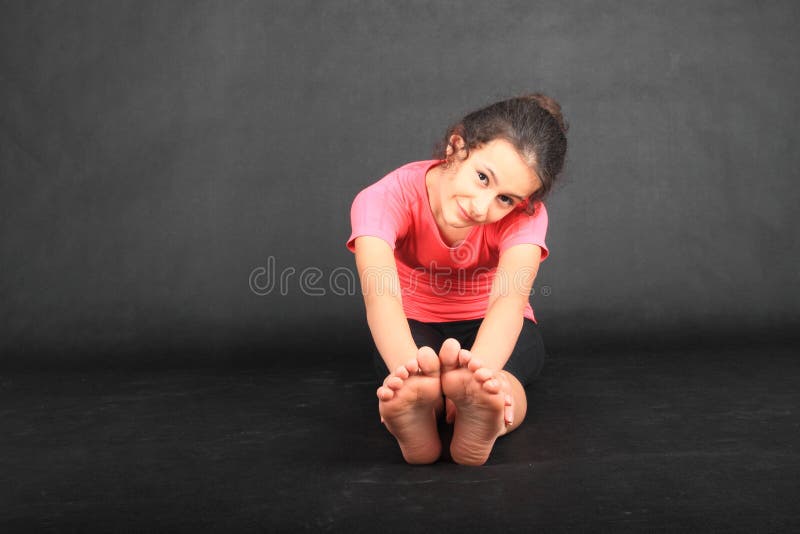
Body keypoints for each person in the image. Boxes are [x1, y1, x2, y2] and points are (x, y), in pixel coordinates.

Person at [346, 94, 568, 465]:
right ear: (457, 146)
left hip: (492, 325)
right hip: (415, 323)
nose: (482, 208)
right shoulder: (383, 199)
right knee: (418, 380)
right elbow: (381, 297)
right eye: (482, 178)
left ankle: (488, 419)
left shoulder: (527, 217)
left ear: (523, 203)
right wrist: (409, 372)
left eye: (505, 199)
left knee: (502, 382)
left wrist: (479, 377)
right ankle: (420, 408)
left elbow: (507, 302)